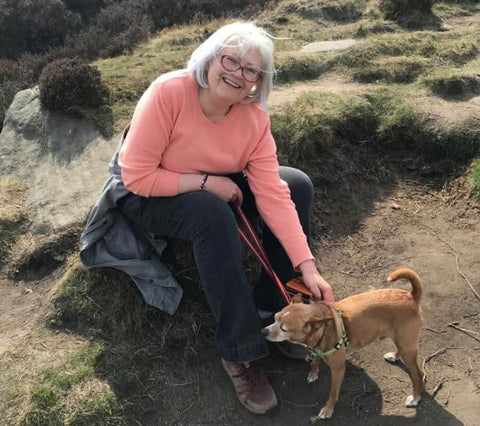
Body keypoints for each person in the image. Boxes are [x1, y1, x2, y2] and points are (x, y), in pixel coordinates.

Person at [80, 21, 333, 415]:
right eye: (230, 59)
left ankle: (275, 311)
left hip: (208, 181)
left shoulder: (253, 120)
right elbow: (137, 175)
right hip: (145, 191)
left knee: (295, 183)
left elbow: (273, 195)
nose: (237, 73)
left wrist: (309, 266)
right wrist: (205, 183)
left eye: (251, 70)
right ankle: (240, 350)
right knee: (211, 212)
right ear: (211, 57)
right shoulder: (169, 93)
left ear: (257, 82)